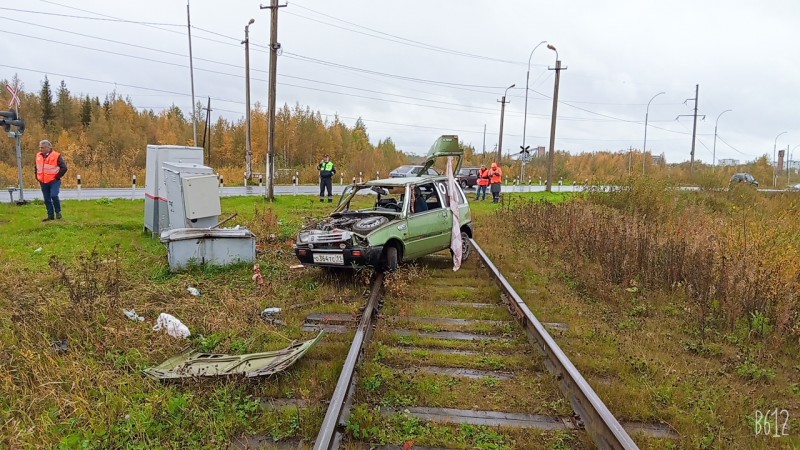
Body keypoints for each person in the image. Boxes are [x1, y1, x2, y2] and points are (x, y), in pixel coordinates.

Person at [35, 139, 68, 221]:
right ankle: (50, 216)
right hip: (43, 181)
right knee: (46, 199)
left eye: (42, 147)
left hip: (54, 181)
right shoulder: (38, 155)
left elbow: (64, 168)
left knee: (54, 195)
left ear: (48, 147)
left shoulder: (56, 155)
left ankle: (58, 212)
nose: (41, 149)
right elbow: (36, 167)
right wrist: (37, 176)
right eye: (40, 147)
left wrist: (57, 177)